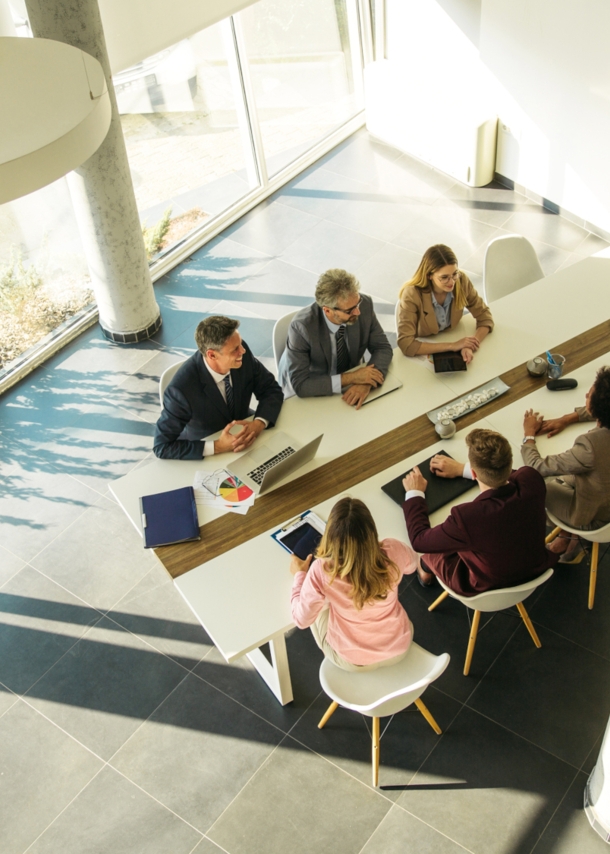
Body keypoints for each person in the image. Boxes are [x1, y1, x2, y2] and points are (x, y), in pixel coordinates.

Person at [402, 429, 557, 595]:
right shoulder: (531, 479)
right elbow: (514, 474)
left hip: (488, 585)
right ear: (510, 462)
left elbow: (419, 540)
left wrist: (414, 494)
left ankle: (425, 571)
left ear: (474, 473)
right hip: (535, 566)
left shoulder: (467, 517)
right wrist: (461, 469)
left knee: (431, 553)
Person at [289, 497, 419, 671]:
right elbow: (412, 565)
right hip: (399, 646)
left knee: (316, 602)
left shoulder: (322, 571)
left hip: (353, 661)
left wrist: (300, 576)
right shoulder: (393, 550)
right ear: (371, 530)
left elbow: (301, 620)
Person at [153, 315, 283, 460]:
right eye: (235, 349)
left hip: (245, 434)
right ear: (212, 355)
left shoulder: (241, 351)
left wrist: (259, 424)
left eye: (240, 344)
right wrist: (218, 446)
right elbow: (161, 446)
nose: (243, 351)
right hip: (208, 445)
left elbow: (271, 389)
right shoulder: (181, 390)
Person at [521, 366, 610, 561]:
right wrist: (568, 418)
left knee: (531, 485)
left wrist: (528, 435)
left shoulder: (591, 447)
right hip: (603, 491)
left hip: (595, 517)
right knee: (564, 477)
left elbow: (537, 466)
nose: (586, 393)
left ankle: (567, 537)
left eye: (590, 394)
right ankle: (565, 537)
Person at [278, 268, 393, 409]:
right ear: (327, 310)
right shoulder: (302, 328)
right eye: (349, 310)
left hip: (351, 382)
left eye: (357, 303)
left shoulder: (365, 305)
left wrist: (366, 381)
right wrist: (352, 377)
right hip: (314, 386)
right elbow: (301, 385)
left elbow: (382, 348)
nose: (358, 311)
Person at [396, 244, 494, 363]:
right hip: (425, 347)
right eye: (444, 277)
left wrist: (469, 345)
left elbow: (485, 316)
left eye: (454, 274)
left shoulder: (461, 281)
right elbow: (406, 344)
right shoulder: (412, 294)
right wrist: (452, 346)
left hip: (453, 335)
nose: (452, 282)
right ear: (429, 275)